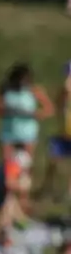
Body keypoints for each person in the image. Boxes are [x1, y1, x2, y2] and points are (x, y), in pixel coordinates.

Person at [0, 63, 52, 164]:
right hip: (9, 131)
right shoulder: (5, 90)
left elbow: (49, 109)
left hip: (27, 133)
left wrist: (34, 114)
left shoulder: (34, 91)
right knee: (6, 164)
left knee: (26, 164)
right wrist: (10, 111)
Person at [42, 62, 71, 202]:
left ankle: (68, 192)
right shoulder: (64, 92)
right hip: (64, 131)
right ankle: (47, 188)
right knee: (53, 161)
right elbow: (60, 100)